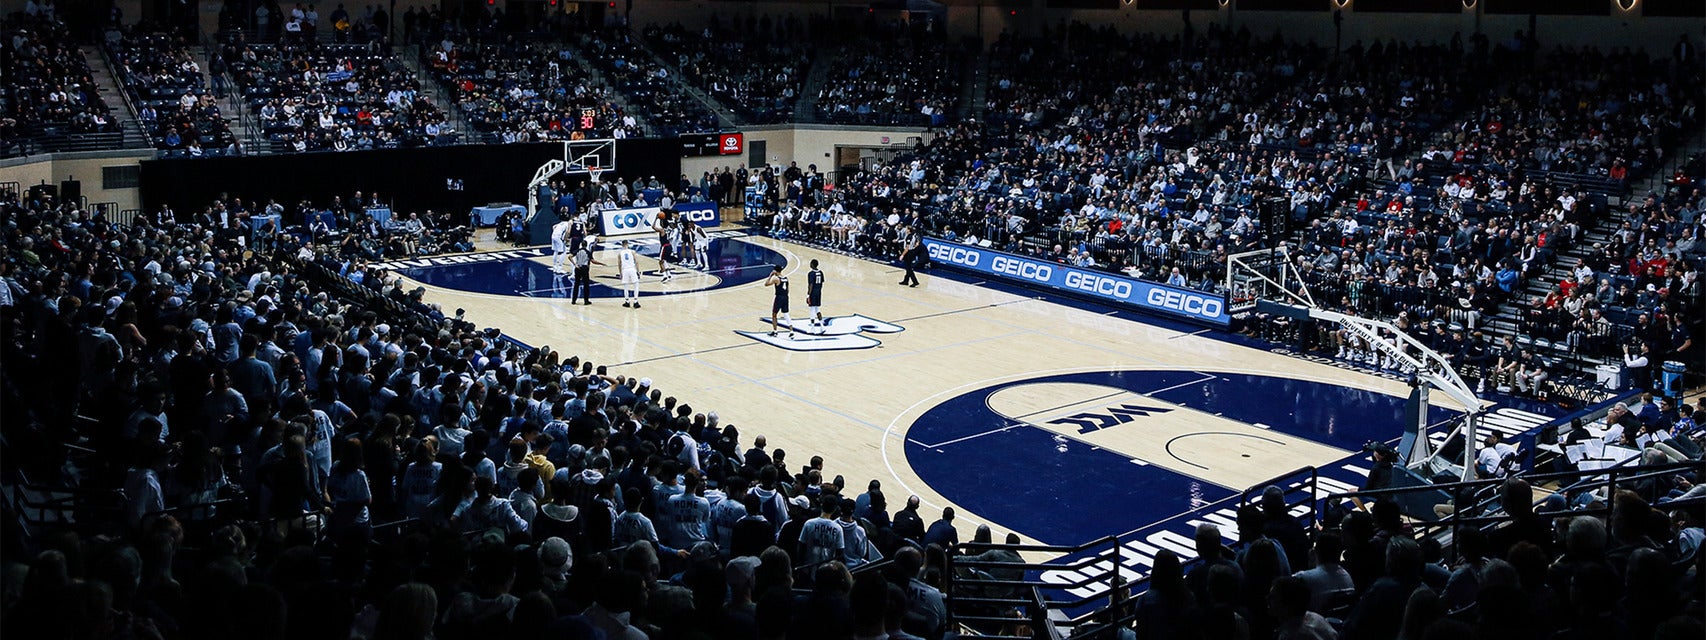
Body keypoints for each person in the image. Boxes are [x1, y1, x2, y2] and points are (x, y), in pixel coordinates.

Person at [765, 264, 794, 338]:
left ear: (775, 271)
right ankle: (791, 331)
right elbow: (788, 290)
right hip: (786, 297)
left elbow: (766, 284)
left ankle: (775, 332)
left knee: (774, 314)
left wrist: (770, 276)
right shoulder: (786, 278)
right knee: (786, 314)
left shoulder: (776, 279)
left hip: (779, 297)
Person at [571, 237, 602, 305]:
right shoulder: (588, 252)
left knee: (576, 284)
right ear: (586, 245)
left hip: (578, 268)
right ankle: (586, 301)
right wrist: (601, 263)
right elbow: (593, 261)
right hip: (584, 269)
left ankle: (573, 300)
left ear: (581, 245)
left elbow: (569, 256)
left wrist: (575, 264)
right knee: (586, 285)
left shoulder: (577, 251)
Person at [617, 240, 641, 308]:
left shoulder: (620, 253)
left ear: (622, 245)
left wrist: (620, 273)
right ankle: (635, 301)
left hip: (625, 270)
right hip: (632, 269)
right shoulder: (632, 252)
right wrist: (638, 271)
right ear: (628, 244)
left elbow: (619, 264)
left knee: (626, 286)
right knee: (636, 285)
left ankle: (627, 301)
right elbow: (636, 261)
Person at [652, 210, 675, 283]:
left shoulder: (662, 230)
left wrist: (656, 218)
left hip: (664, 246)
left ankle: (665, 276)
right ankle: (669, 275)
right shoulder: (669, 228)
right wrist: (662, 218)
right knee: (664, 261)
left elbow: (653, 226)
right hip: (669, 246)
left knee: (660, 262)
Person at [806, 259, 826, 331]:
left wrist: (808, 295)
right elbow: (822, 283)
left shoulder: (811, 273)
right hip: (819, 292)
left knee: (812, 310)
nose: (810, 264)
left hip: (813, 293)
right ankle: (822, 326)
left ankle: (812, 327)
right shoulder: (821, 272)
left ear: (813, 265)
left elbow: (810, 285)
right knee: (817, 310)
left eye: (811, 263)